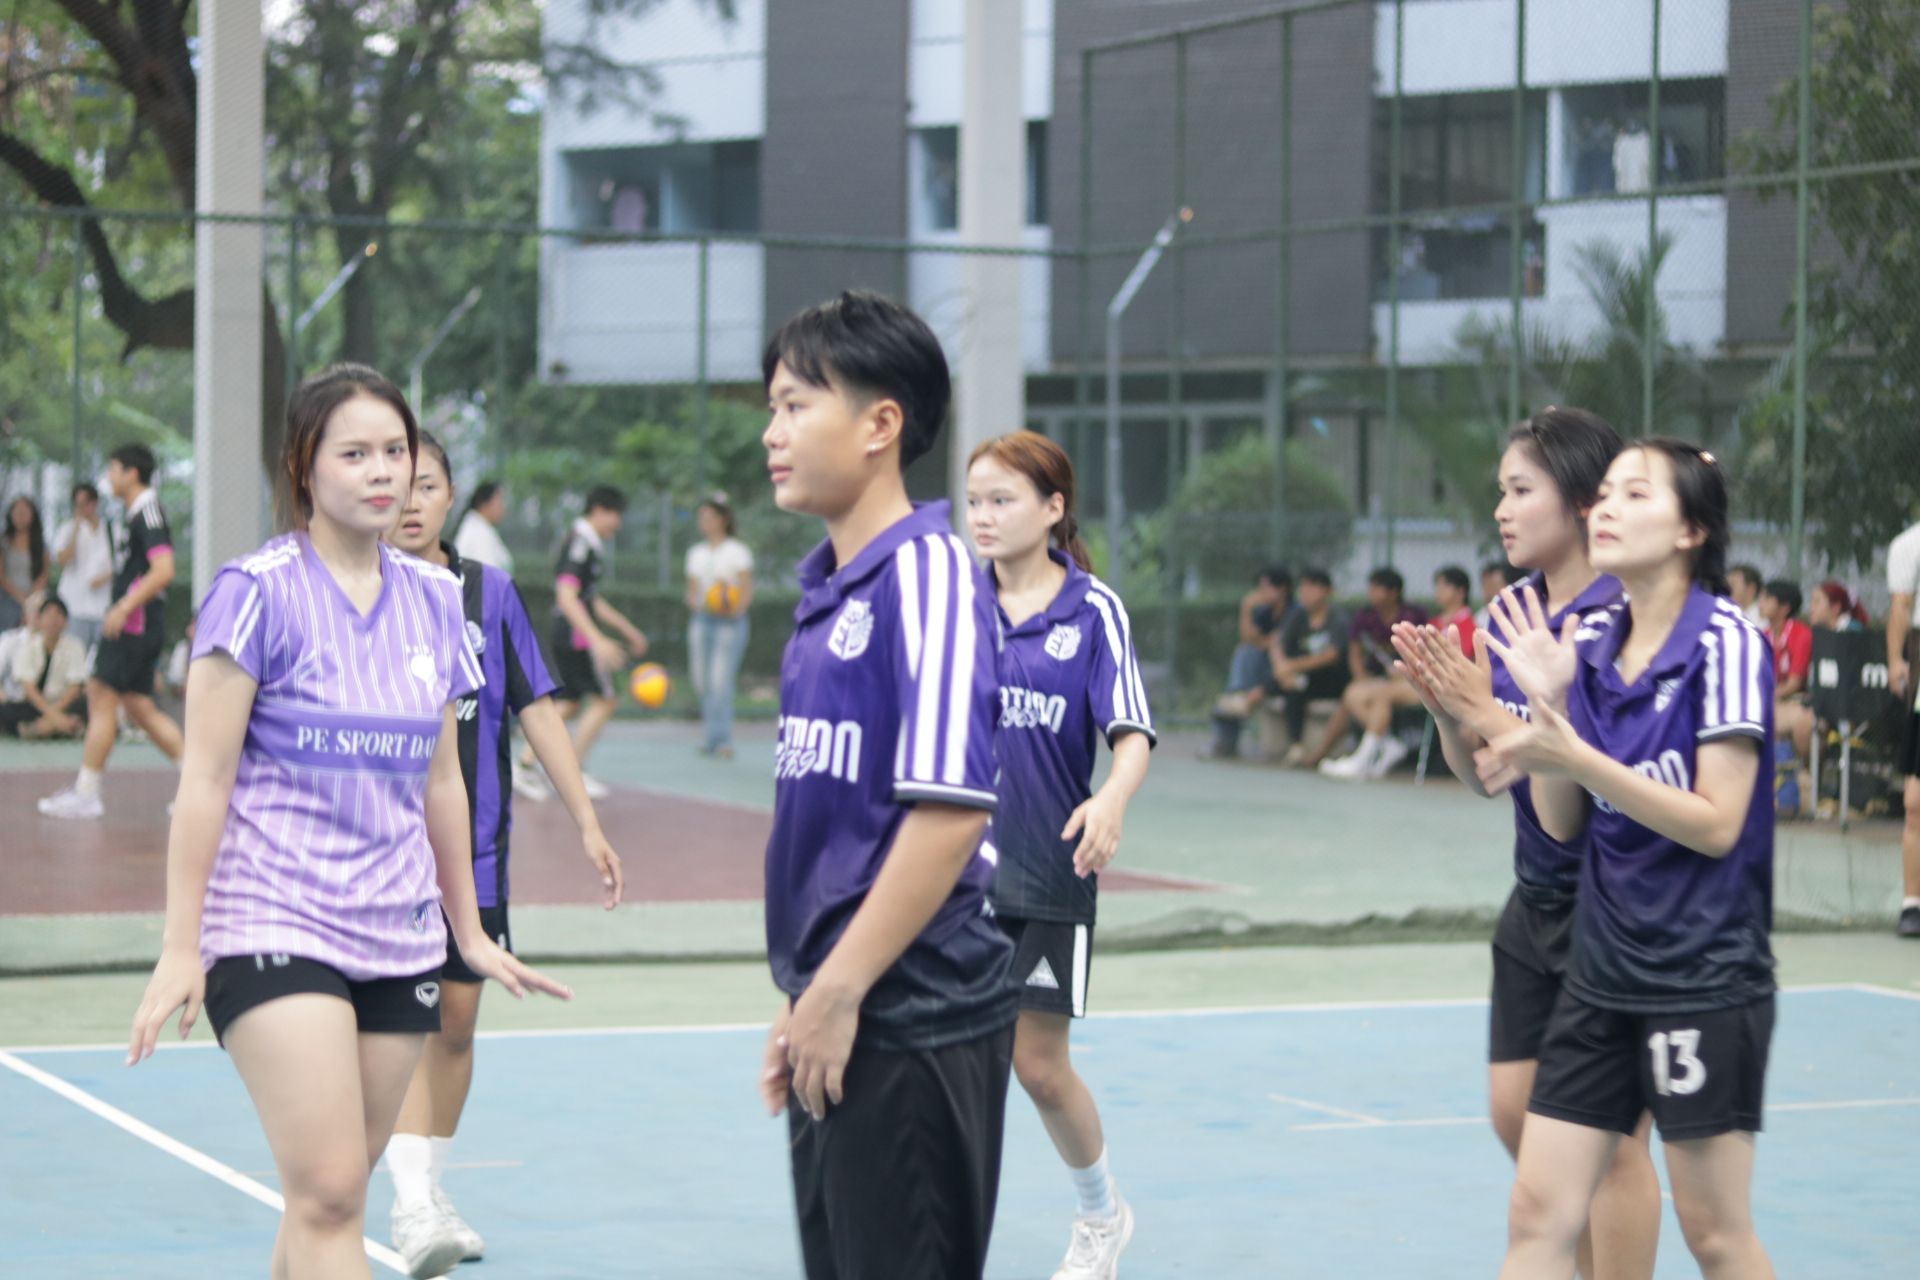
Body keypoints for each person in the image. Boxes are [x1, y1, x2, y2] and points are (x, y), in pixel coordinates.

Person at [125, 364, 568, 1280]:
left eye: (395, 452)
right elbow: (204, 780)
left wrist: (467, 932)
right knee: (330, 1194)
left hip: (398, 933)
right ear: (303, 466)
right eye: (355, 453)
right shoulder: (255, 593)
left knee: (326, 1200)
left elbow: (443, 783)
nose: (382, 472)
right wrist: (180, 945)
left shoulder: (436, 601)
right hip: (273, 919)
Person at [755, 290, 1015, 1279]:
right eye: (773, 408)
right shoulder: (825, 594)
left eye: (795, 405)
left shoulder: (930, 575)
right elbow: (838, 838)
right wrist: (807, 994)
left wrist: (839, 987)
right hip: (844, 1004)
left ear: (880, 425)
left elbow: (948, 815)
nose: (773, 432)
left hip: (914, 1011)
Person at [1479, 439, 1776, 1280]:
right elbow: (1562, 821)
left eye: (1637, 495)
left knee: (1715, 1235)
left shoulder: (1726, 643)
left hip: (1703, 975)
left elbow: (1717, 823)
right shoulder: (1590, 643)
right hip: (1600, 974)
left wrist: (1575, 754)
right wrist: (1549, 705)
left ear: (1692, 530)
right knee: (1538, 1214)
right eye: (1605, 493)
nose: (1607, 507)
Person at [1392, 407, 1659, 1280]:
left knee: (1610, 1145)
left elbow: (1569, 807)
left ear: (1581, 501)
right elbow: (1486, 778)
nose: (1501, 510)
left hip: (1616, 909)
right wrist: (1448, 710)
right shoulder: (1512, 612)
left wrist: (1494, 711)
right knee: (1518, 1113)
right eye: (1500, 491)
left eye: (1519, 490)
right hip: (1536, 899)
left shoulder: (1621, 620)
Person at [382, 432, 625, 1275]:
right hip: (381, 859)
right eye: (397, 485)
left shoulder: (489, 594)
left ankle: (426, 1187)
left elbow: (539, 712)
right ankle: (410, 1201)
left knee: (454, 1026)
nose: (410, 501)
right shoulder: (354, 590)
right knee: (396, 1024)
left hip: (476, 857)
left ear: (451, 497)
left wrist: (586, 821)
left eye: (426, 485)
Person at [966, 430, 1154, 1280]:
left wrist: (1111, 799)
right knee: (953, 1065)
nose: (983, 516)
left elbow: (1131, 731)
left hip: (1048, 870)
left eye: (1002, 500)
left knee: (1039, 1069)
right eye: (974, 500)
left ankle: (1102, 1216)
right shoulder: (954, 607)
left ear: (1052, 508)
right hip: (950, 878)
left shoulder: (1093, 611)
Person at [37, 444, 185, 821]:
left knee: (100, 692)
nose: (109, 476)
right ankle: (199, 786)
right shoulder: (133, 513)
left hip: (133, 624)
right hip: (136, 623)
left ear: (131, 473)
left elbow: (164, 570)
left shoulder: (148, 511)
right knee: (139, 707)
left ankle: (87, 793)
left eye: (114, 468)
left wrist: (122, 607)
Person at [533, 486, 648, 798]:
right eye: (615, 515)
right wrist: (597, 640)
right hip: (575, 636)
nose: (618, 524)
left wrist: (626, 629)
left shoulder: (587, 543)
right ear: (598, 510)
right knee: (605, 700)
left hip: (570, 632)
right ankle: (570, 773)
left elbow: (590, 599)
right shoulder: (580, 544)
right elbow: (567, 597)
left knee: (570, 702)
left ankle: (526, 764)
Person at [1212, 568, 1349, 764]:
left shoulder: (1337, 618)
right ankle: (1296, 745)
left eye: (1311, 587)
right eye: (1303, 587)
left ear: (1326, 590)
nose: (1305, 592)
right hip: (1299, 678)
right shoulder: (1298, 616)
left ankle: (1250, 699)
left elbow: (1331, 656)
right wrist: (1281, 667)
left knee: (1296, 682)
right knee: (1293, 686)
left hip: (1328, 678)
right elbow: (1277, 643)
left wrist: (1291, 666)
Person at [1316, 568, 1427, 778]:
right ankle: (1388, 744)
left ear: (1393, 592)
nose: (1371, 593)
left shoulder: (1413, 615)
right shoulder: (1364, 616)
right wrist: (1362, 679)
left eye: (1377, 588)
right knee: (1352, 693)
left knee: (1380, 697)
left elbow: (1425, 650)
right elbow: (1355, 654)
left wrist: (1406, 669)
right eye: (1371, 588)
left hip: (1412, 680)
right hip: (1382, 680)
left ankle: (1363, 760)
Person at [685, 491, 755, 759]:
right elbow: (692, 594)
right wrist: (703, 602)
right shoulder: (696, 553)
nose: (704, 522)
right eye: (701, 517)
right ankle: (711, 737)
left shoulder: (738, 551)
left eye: (709, 517)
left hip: (730, 624)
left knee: (720, 682)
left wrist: (731, 606)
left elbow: (746, 591)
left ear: (723, 519)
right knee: (702, 681)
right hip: (702, 621)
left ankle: (723, 740)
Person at [1205, 567, 1293, 759]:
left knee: (1248, 655)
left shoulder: (1294, 613)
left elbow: (1276, 644)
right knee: (1245, 652)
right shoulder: (1265, 613)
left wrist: (1265, 643)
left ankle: (1236, 704)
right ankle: (1237, 694)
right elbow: (1248, 639)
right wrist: (1246, 609)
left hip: (1287, 669)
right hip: (1265, 666)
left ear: (1282, 589)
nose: (1259, 593)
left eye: (1265, 588)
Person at [1886, 518, 1920, 937]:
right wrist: (1896, 660)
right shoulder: (1909, 544)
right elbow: (1900, 605)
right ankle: (1913, 904)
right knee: (1915, 802)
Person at [1, 594, 90, 739]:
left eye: (58, 615)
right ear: (39, 619)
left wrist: (53, 714)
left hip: (62, 702)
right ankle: (64, 726)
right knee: (7, 709)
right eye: (48, 615)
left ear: (66, 621)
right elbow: (28, 688)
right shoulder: (27, 646)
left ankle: (41, 728)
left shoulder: (75, 646)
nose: (53, 620)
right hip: (34, 704)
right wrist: (54, 715)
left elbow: (75, 686)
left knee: (88, 703)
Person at [53, 482, 114, 652]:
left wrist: (104, 578)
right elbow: (63, 561)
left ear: (95, 503)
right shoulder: (67, 529)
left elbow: (120, 564)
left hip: (104, 606)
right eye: (78, 504)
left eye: (86, 503)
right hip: (75, 607)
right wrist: (76, 529)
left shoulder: (111, 531)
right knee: (75, 656)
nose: (83, 509)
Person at [1, 495, 48, 634]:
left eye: (25, 512)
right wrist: (22, 599)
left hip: (34, 599)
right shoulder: (4, 542)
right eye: (17, 512)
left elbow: (44, 574)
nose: (21, 517)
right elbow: (2, 577)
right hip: (7, 599)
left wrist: (31, 599)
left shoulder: (40, 543)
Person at [1758, 580, 1811, 699]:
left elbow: (1794, 685)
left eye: (1767, 598)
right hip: (1773, 698)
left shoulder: (1802, 635)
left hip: (1796, 699)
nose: (1760, 603)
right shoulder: (1763, 635)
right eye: (1760, 598)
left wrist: (1762, 698)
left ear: (1784, 608)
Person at [452, 480, 514, 574]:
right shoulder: (477, 533)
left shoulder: (480, 527)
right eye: (499, 501)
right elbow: (487, 576)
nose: (503, 507)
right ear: (484, 504)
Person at [1477, 560, 1525, 633]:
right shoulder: (1479, 618)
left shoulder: (1518, 613)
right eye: (1485, 584)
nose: (1488, 590)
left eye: (1494, 585)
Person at [1727, 564, 1765, 628]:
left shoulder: (1762, 620)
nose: (1727, 589)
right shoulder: (1728, 611)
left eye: (1733, 585)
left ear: (1751, 589)